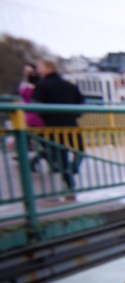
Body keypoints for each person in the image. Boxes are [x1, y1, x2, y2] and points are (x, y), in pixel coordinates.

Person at [33, 59, 85, 196]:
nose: (37, 70)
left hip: (52, 126)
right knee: (79, 149)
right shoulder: (69, 85)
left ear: (49, 69)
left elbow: (36, 106)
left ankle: (69, 181)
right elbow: (81, 103)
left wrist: (46, 116)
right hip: (70, 123)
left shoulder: (41, 86)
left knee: (60, 154)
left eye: (40, 67)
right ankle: (74, 168)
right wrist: (75, 114)